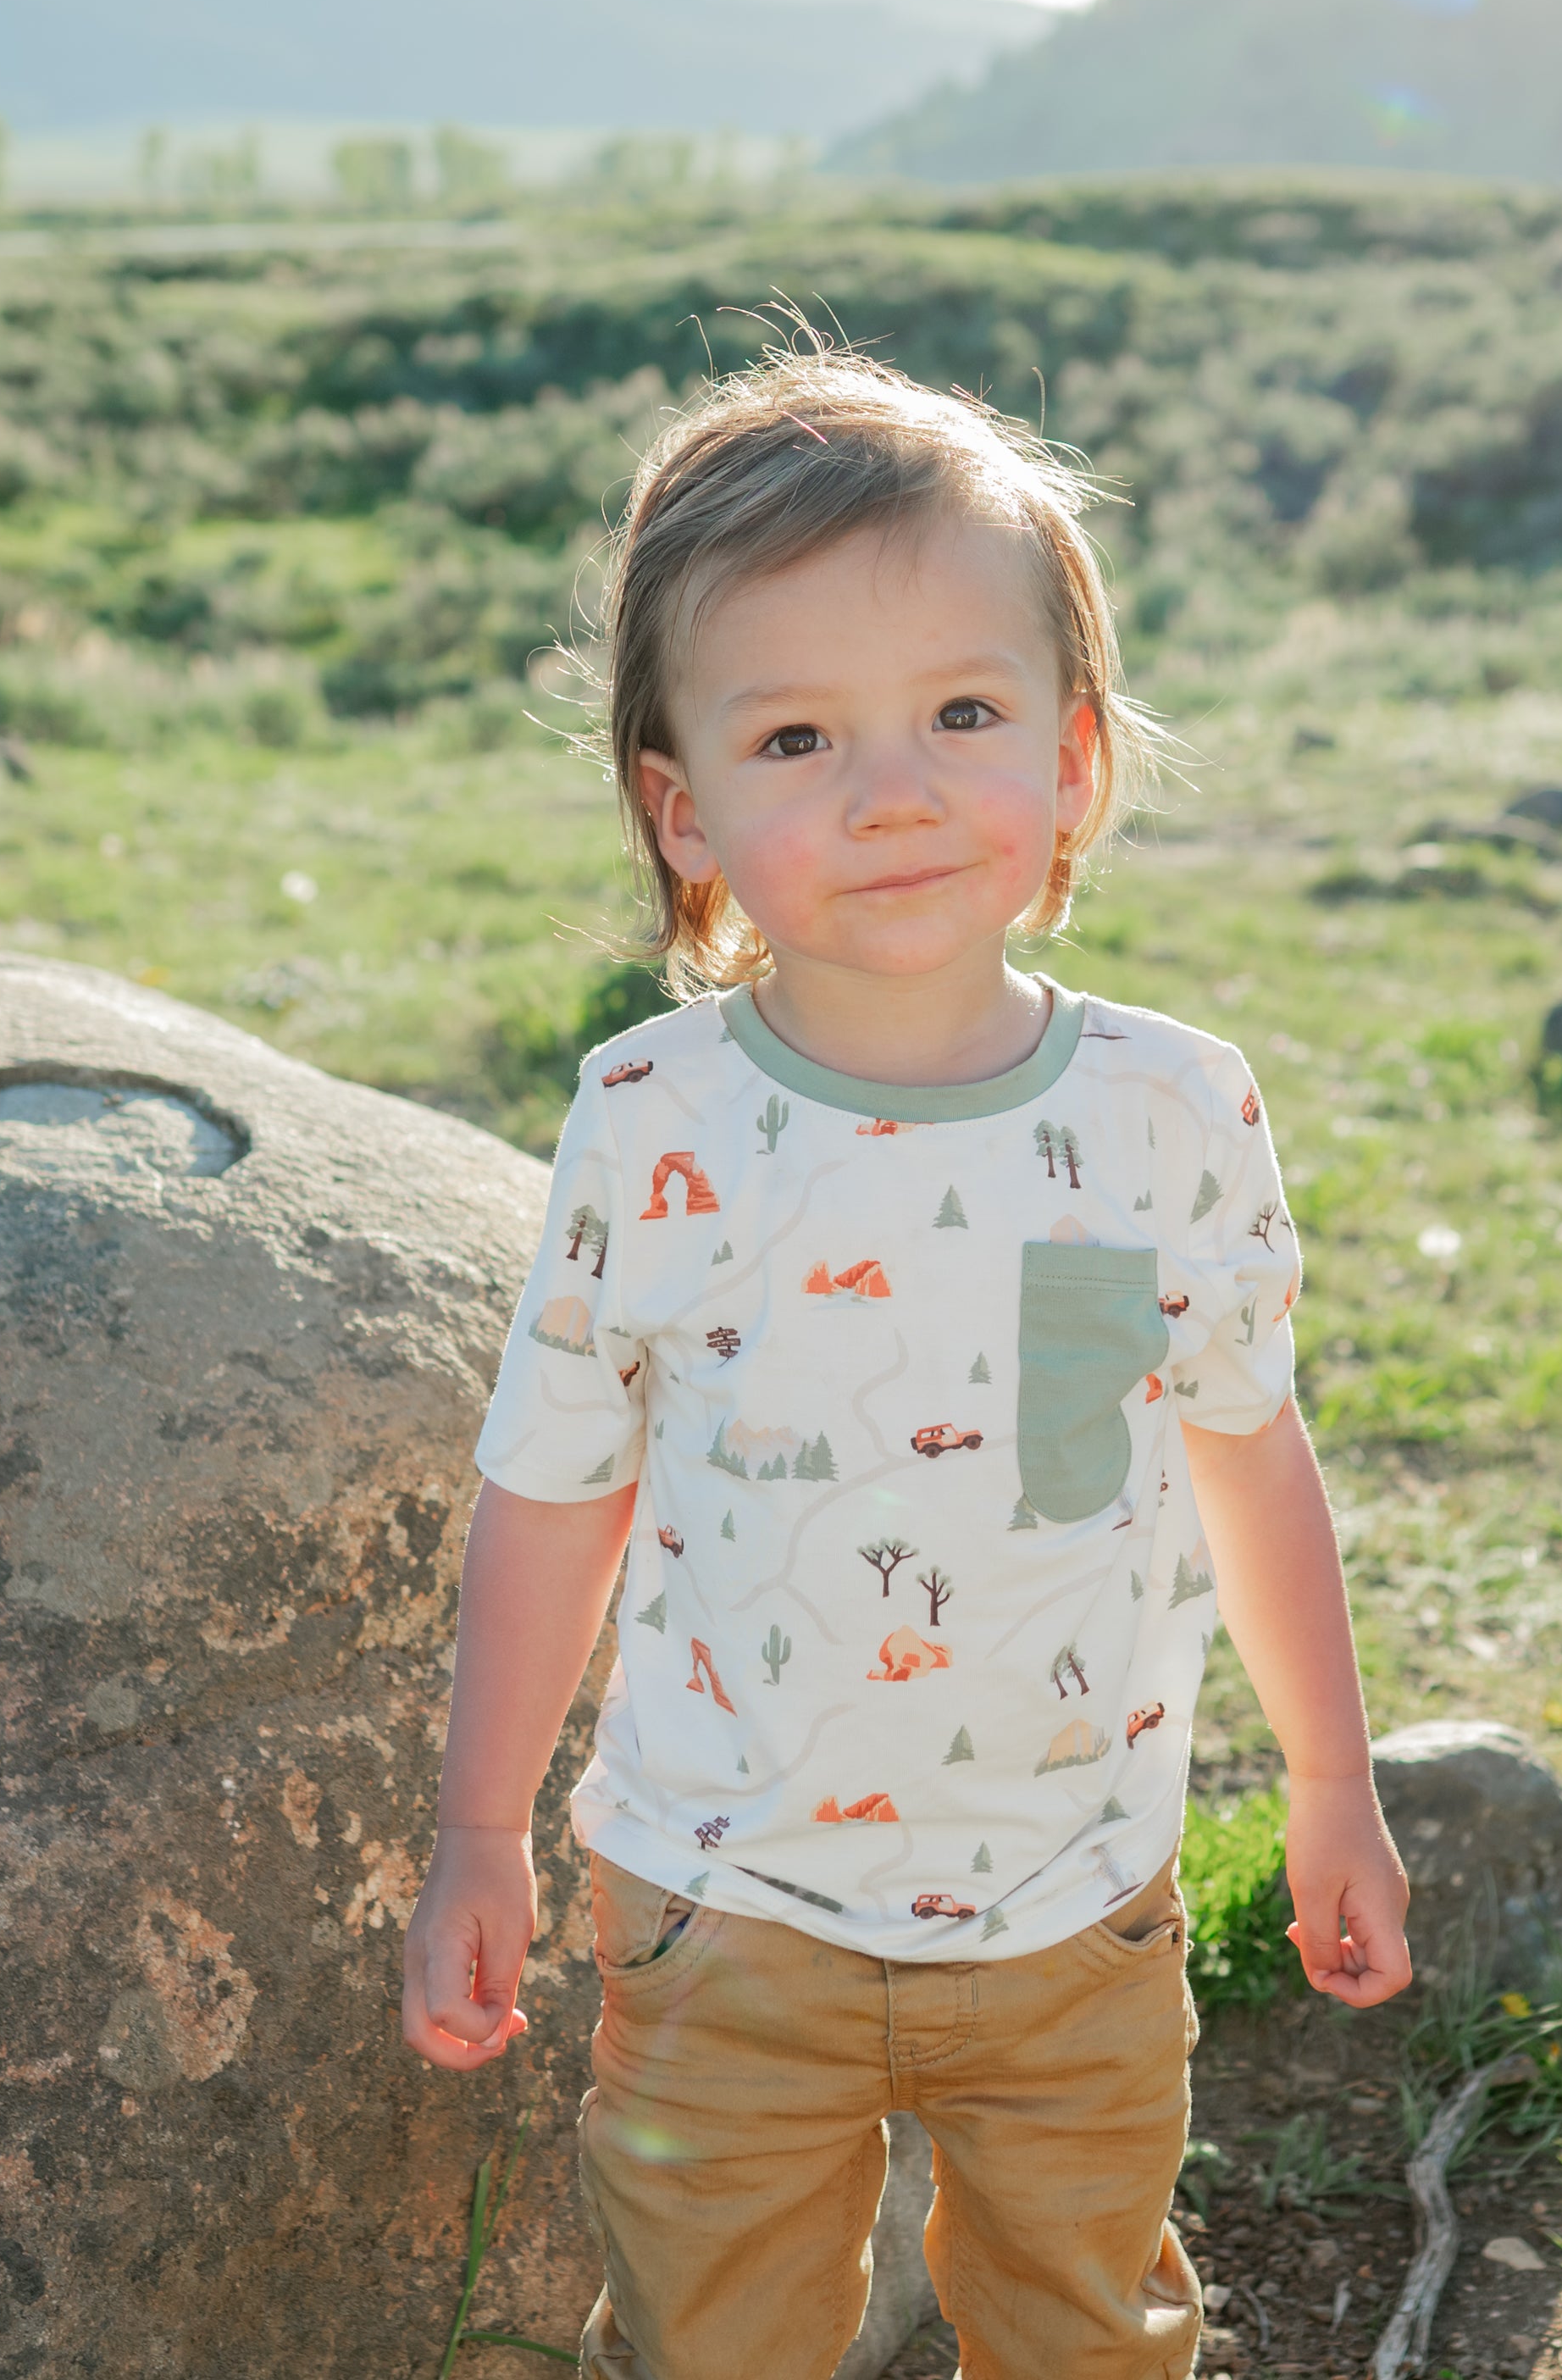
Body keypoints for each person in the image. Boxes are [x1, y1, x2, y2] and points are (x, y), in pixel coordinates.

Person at [402, 344, 1410, 2378]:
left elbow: (1246, 1453)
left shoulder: (1168, 1111)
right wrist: (480, 1827)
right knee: (714, 2344)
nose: (894, 788)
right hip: (719, 1905)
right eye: (796, 736)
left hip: (1080, 1908)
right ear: (682, 814)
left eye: (964, 711)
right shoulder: (652, 1123)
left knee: (1088, 2337)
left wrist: (1332, 1780)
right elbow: (558, 1481)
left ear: (1075, 761)